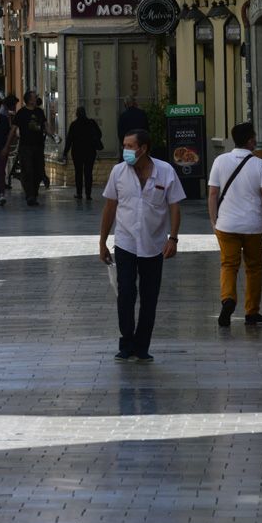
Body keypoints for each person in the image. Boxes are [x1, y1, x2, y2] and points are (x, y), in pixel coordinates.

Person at [99, 129, 185, 362]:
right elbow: (110, 207)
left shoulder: (165, 172)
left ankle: (142, 345)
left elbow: (175, 206)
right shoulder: (118, 172)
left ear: (143, 148)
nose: (125, 150)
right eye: (124, 145)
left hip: (154, 244)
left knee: (150, 297)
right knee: (125, 293)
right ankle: (126, 342)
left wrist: (173, 238)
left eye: (129, 146)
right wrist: (102, 242)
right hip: (125, 241)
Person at [207, 122, 262, 326]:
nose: (256, 140)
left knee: (228, 265)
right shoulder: (260, 165)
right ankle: (251, 311)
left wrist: (213, 220)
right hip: (253, 225)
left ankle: (228, 298)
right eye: (254, 136)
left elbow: (212, 193)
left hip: (226, 224)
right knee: (254, 268)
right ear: (249, 140)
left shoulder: (220, 161)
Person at [7, 91, 54, 207]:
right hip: (25, 146)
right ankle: (30, 195)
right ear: (29, 100)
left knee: (38, 170)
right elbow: (13, 129)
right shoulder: (21, 113)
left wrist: (52, 134)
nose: (36, 98)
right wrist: (7, 145)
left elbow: (45, 125)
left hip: (38, 146)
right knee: (27, 170)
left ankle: (34, 193)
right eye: (34, 97)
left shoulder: (39, 112)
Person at [64, 106, 103, 201]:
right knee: (88, 173)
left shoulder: (74, 125)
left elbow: (69, 140)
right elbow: (99, 134)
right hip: (90, 151)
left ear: (77, 114)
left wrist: (65, 152)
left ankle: (79, 193)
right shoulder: (91, 123)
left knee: (78, 172)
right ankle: (88, 194)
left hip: (77, 152)